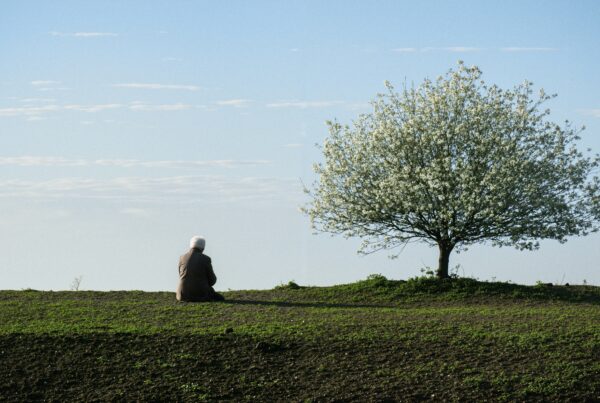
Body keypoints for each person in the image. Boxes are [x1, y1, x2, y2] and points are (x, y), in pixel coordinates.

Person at [176, 236, 225, 302]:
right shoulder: (206, 259)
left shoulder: (181, 258)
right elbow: (212, 280)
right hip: (199, 295)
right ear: (203, 247)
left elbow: (181, 275)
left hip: (182, 295)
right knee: (220, 298)